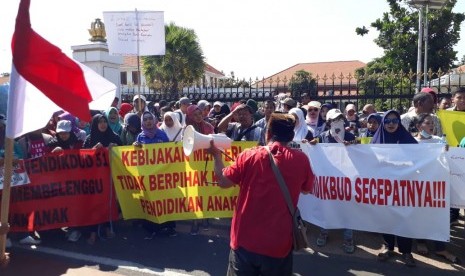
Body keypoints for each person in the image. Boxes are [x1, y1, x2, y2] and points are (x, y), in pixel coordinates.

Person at [208, 113, 314, 276]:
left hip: (244, 242)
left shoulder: (249, 155)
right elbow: (306, 190)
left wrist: (216, 155)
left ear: (268, 133)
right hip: (278, 245)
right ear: (292, 136)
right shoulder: (301, 159)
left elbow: (223, 181)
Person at [371, 110, 418, 267]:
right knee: (386, 216)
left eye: (395, 121)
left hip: (403, 187)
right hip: (383, 187)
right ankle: (388, 247)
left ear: (399, 123)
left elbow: (423, 157)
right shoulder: (376, 140)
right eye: (387, 121)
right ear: (383, 123)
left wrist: (440, 152)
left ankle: (406, 251)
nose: (391, 124)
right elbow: (367, 160)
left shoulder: (407, 140)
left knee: (404, 218)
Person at [312, 108, 355, 253]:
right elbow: (314, 144)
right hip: (329, 178)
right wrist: (309, 144)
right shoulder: (323, 136)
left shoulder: (349, 135)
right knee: (327, 206)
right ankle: (324, 231)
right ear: (329, 122)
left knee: (347, 207)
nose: (338, 122)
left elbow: (361, 149)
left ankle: (348, 236)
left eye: (341, 119)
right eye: (335, 120)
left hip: (346, 179)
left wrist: (355, 145)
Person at [83, 114, 123, 245]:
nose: (103, 124)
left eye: (104, 121)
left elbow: (125, 153)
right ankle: (93, 232)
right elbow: (83, 159)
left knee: (108, 201)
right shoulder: (89, 139)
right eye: (99, 122)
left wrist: (115, 148)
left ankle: (107, 227)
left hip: (111, 177)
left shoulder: (114, 136)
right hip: (95, 178)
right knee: (95, 202)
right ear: (95, 124)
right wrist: (94, 150)